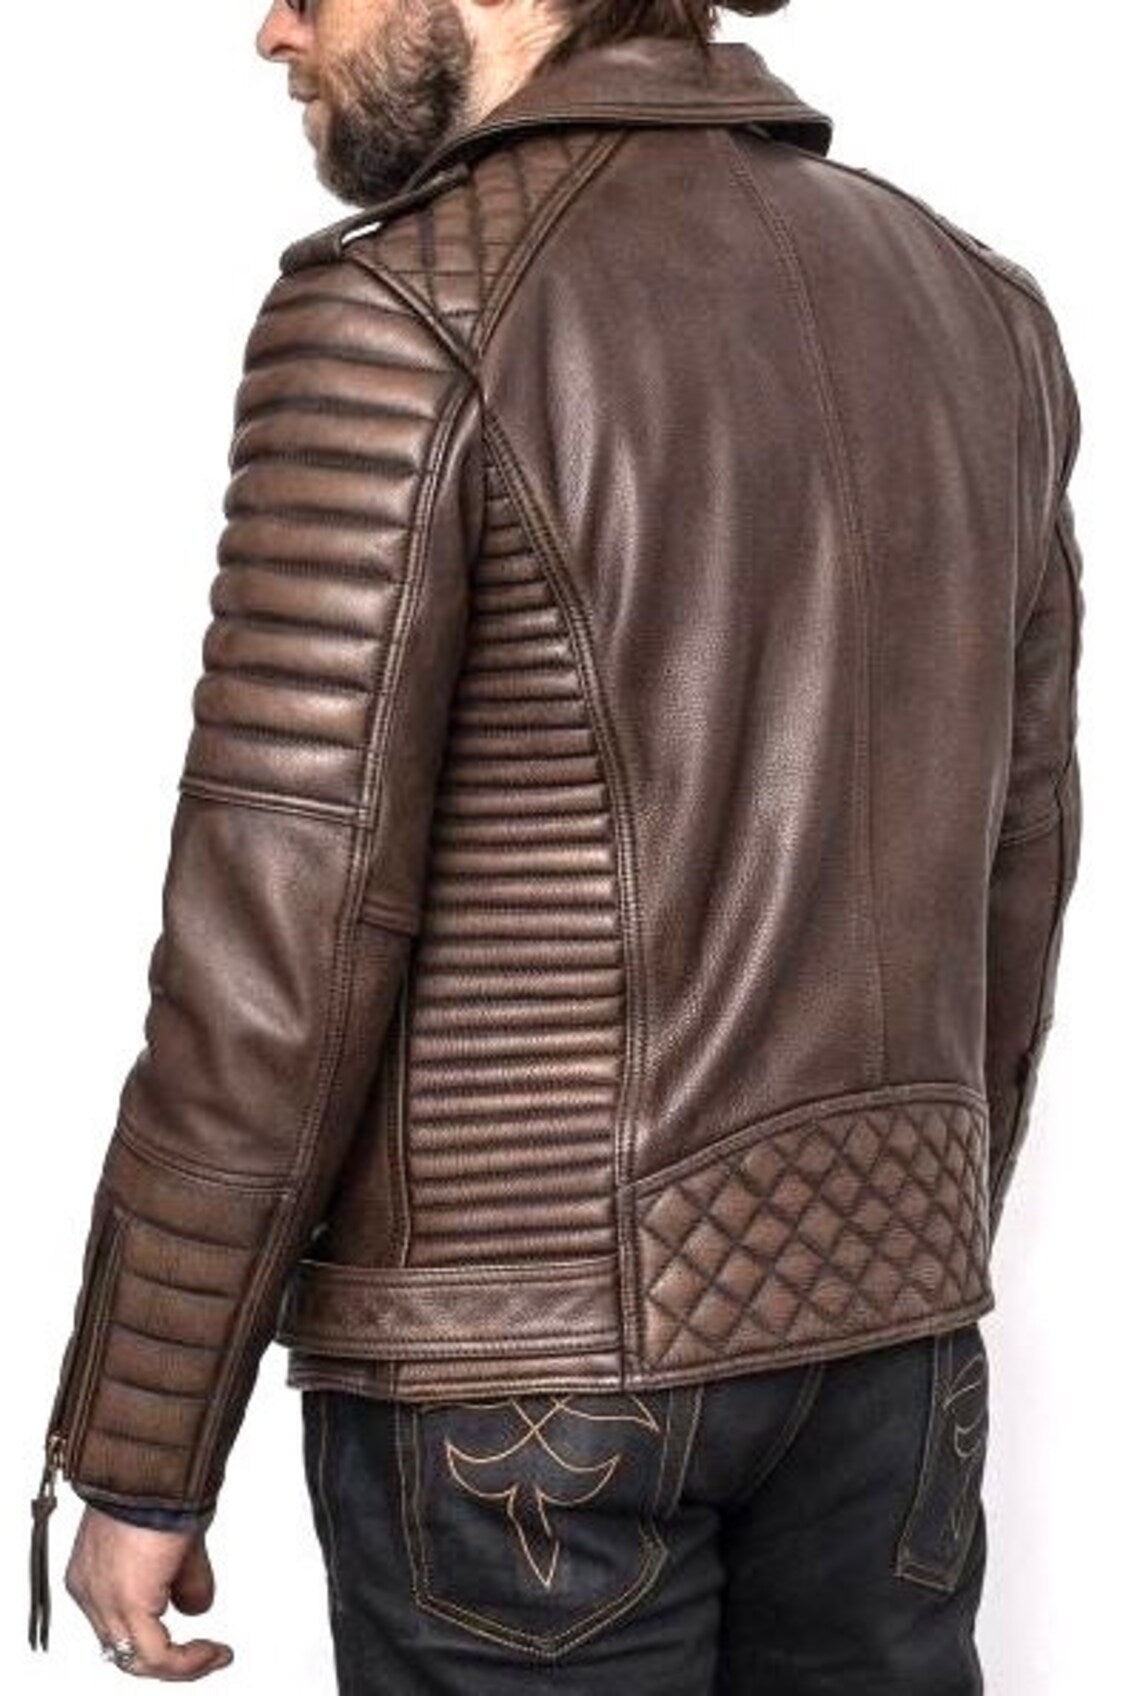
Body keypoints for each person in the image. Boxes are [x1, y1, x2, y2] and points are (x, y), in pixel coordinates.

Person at [28, 0, 1085, 1688]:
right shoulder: (975, 305)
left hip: (514, 1383)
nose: (274, 31)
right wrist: (911, 1248)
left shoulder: (407, 312)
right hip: (891, 1358)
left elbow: (280, 929)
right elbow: (1018, 866)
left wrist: (144, 1442)